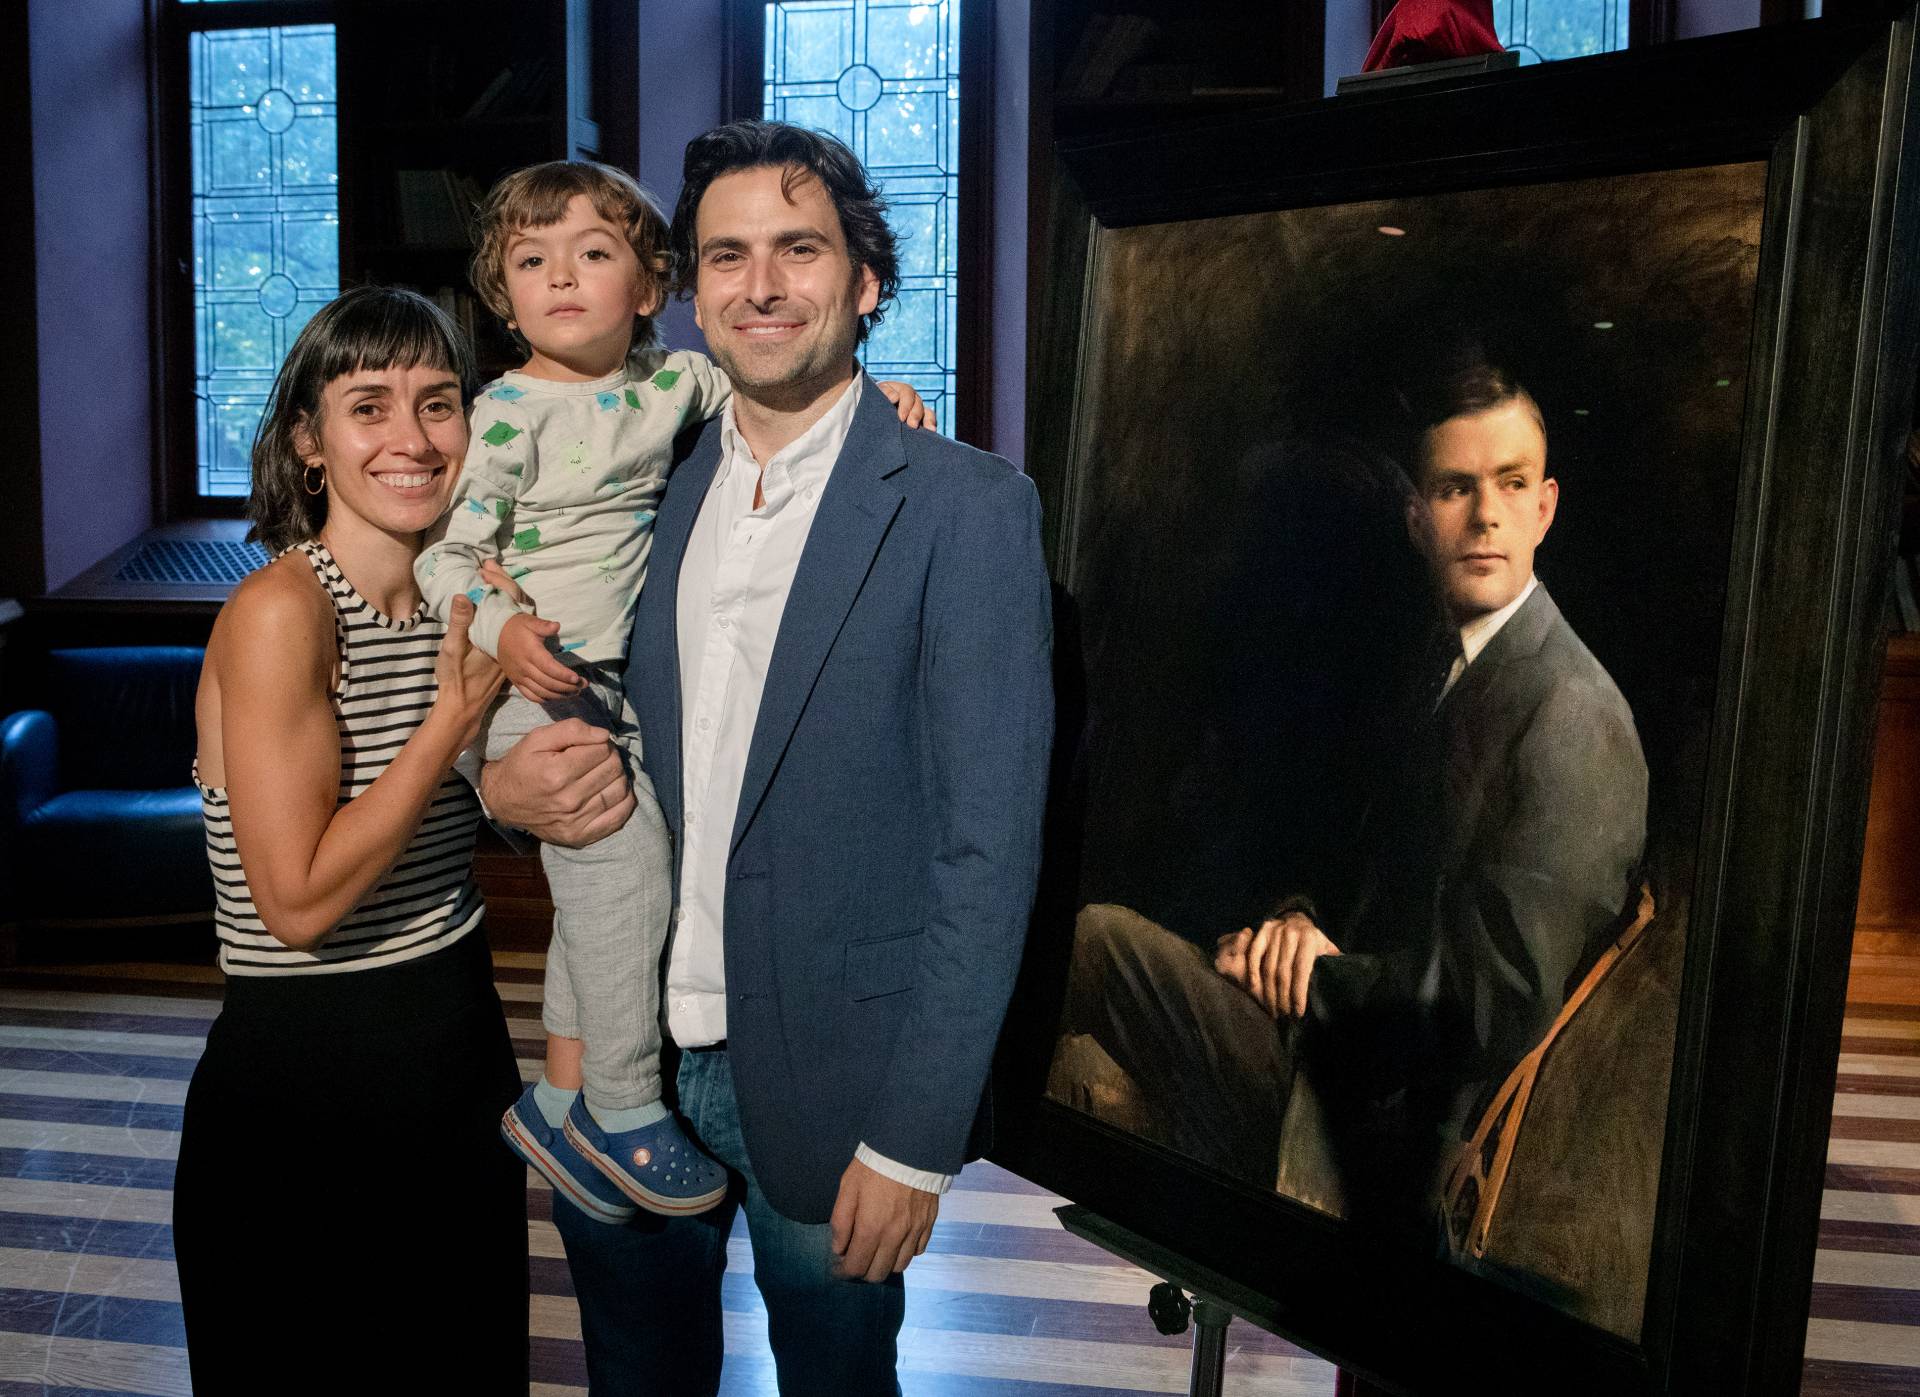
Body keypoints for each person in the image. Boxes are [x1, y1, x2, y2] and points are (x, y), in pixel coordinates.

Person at [480, 120, 1054, 1395]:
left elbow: (991, 842)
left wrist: (915, 1140)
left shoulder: (968, 505)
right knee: (638, 1377)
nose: (762, 284)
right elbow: (536, 685)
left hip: (834, 1071)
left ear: (865, 279)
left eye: (800, 248)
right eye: (727, 256)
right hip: (629, 1053)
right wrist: (500, 792)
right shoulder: (644, 474)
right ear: (686, 294)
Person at [416, 160, 930, 1223]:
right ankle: (618, 1104)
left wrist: (883, 398)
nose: (561, 278)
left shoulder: (673, 382)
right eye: (531, 261)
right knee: (624, 865)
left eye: (593, 254)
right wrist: (505, 629)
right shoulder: (504, 415)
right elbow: (445, 557)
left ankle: (555, 1096)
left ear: (653, 288)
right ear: (500, 294)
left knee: (601, 896)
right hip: (539, 678)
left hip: (620, 683)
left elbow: (782, 387)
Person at [1059, 359, 1648, 1229]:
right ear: (1416, 517)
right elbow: (1374, 876)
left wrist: (1320, 978)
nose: (1485, 515)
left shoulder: (1569, 710)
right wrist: (1295, 924)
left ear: (1544, 507)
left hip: (1387, 1114)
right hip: (1345, 1051)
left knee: (1094, 942)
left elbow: (1496, 1001)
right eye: (1455, 488)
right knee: (1074, 1060)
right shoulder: (1438, 667)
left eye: (1511, 484)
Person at [172, 286, 529, 1394]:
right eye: (368, 406)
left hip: (459, 1046)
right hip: (306, 1082)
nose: (413, 440)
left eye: (438, 403)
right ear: (309, 442)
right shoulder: (284, 611)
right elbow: (298, 900)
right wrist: (451, 724)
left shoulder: (462, 597)